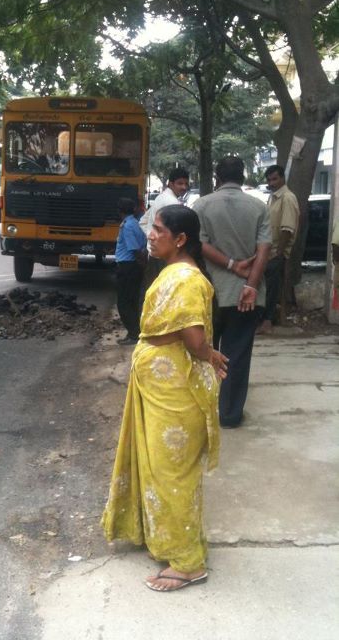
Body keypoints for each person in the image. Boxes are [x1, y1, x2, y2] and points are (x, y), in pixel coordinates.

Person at [102, 204, 228, 592]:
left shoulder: (187, 279)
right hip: (159, 386)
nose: (151, 235)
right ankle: (169, 542)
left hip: (175, 391)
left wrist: (209, 354)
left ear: (181, 239)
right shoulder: (173, 271)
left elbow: (192, 338)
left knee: (173, 472)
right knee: (158, 467)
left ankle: (189, 564)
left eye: (158, 230)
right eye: (152, 229)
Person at [193, 155, 271, 428]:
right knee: (236, 355)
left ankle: (204, 410)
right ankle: (229, 415)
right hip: (246, 297)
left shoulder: (201, 206)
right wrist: (250, 284)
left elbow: (198, 244)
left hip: (210, 294)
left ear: (217, 177)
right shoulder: (259, 207)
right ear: (243, 177)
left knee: (205, 352)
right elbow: (264, 250)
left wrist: (229, 264)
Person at [257, 165, 299, 334]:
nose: (271, 183)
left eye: (275, 179)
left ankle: (267, 321)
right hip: (268, 251)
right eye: (269, 180)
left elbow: (287, 229)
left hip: (277, 252)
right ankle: (265, 319)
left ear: (282, 178)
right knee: (266, 287)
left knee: (272, 288)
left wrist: (278, 253)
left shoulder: (287, 198)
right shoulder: (273, 198)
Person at [139, 167, 190, 289]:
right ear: (170, 184)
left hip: (154, 253)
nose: (184, 187)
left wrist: (152, 238)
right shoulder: (172, 203)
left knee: (151, 290)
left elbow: (142, 221)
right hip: (164, 257)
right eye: (180, 183)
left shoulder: (160, 198)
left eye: (186, 184)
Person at [115, 197, 147, 345]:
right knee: (133, 300)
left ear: (119, 211)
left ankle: (134, 334)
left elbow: (133, 248)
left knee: (124, 302)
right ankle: (136, 331)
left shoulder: (127, 226)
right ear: (134, 209)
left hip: (128, 266)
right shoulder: (135, 223)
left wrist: (141, 262)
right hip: (133, 266)